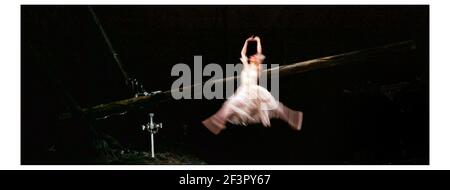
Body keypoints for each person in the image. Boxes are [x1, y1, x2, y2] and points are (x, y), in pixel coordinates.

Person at [202, 36, 303, 135]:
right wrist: (246, 42)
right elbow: (242, 53)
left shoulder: (257, 67)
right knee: (230, 105)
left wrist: (258, 41)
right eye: (252, 56)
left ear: (258, 60)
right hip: (244, 91)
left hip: (254, 92)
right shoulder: (246, 65)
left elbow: (259, 53)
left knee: (274, 106)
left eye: (255, 57)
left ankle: (293, 118)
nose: (252, 56)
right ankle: (218, 122)